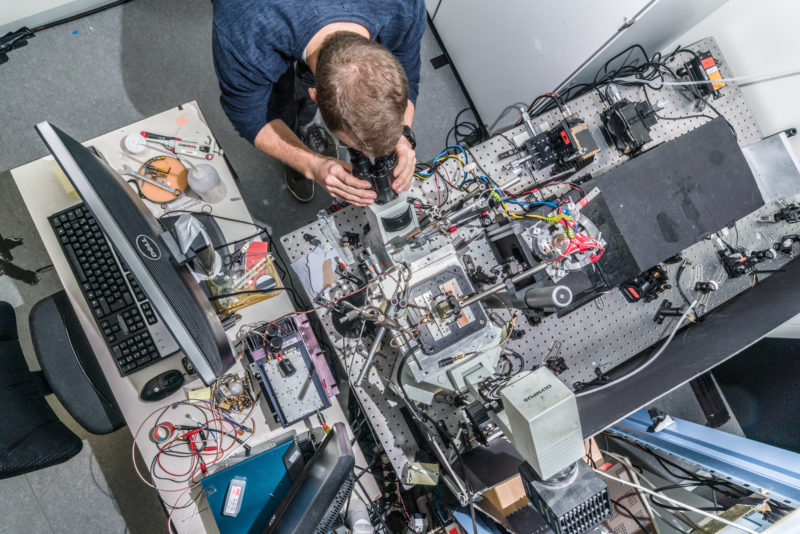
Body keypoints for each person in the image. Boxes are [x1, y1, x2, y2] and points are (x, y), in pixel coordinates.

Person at [212, 0, 426, 206]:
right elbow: (250, 115)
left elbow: (406, 59)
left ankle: (303, 124)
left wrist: (402, 134)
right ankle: (294, 136)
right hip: (259, 15)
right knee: (278, 97)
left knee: (321, 72)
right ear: (314, 94)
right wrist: (310, 164)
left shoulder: (404, 6)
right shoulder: (243, 33)